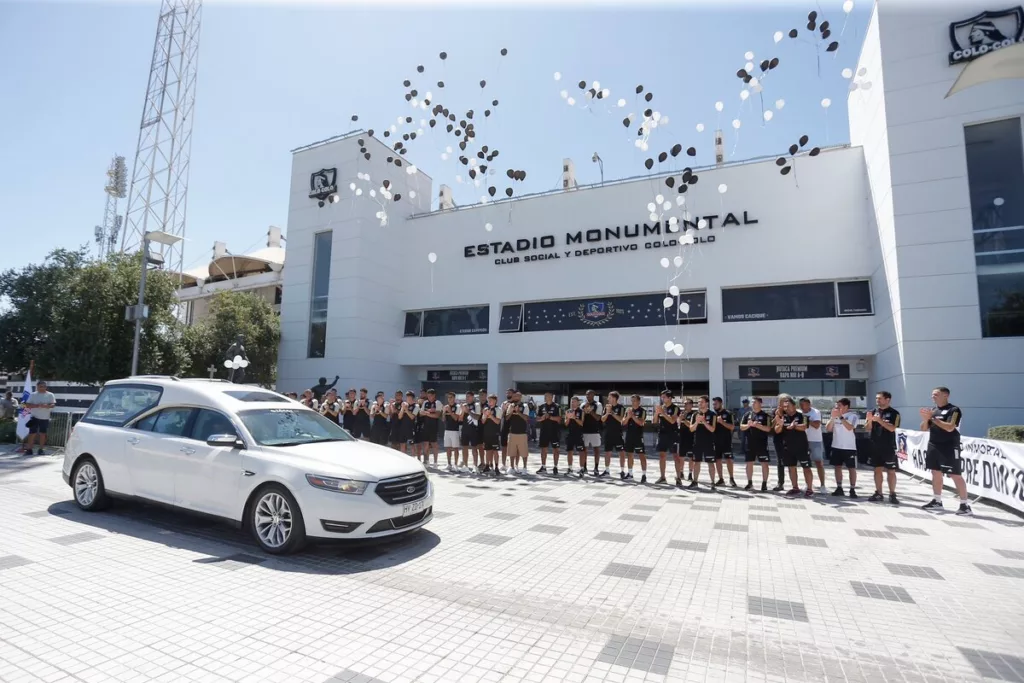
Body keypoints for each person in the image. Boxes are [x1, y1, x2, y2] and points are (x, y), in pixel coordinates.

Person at [921, 387, 972, 516]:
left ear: (945, 395)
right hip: (934, 444)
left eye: (936, 394)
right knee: (935, 472)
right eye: (932, 395)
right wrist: (926, 419)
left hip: (949, 446)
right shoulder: (933, 410)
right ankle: (937, 501)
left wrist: (932, 419)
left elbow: (950, 428)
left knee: (955, 474)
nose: (933, 397)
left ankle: (965, 505)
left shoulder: (954, 410)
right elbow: (923, 429)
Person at [775, 397, 815, 498]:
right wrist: (780, 425)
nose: (786, 408)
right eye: (784, 407)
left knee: (806, 467)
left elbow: (805, 426)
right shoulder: (782, 417)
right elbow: (777, 431)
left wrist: (794, 426)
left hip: (801, 447)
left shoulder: (802, 416)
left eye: (788, 406)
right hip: (788, 447)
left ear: (794, 406)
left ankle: (809, 489)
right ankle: (795, 487)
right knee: (791, 467)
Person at [866, 391, 901, 505]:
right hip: (875, 445)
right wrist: (870, 420)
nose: (877, 401)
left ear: (887, 399)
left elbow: (892, 428)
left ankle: (892, 494)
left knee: (891, 471)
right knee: (877, 470)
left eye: (880, 398)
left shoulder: (894, 413)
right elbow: (867, 428)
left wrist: (879, 420)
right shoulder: (873, 412)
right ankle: (879, 493)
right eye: (876, 398)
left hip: (888, 446)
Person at [826, 398, 860, 497]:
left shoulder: (853, 416)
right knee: (837, 467)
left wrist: (840, 417)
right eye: (836, 406)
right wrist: (832, 418)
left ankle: (852, 489)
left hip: (849, 447)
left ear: (846, 406)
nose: (837, 408)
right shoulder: (835, 416)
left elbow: (850, 427)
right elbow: (828, 428)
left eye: (839, 406)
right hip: (836, 445)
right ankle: (839, 487)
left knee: (851, 468)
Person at [740, 397, 772, 491]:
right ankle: (749, 483)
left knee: (764, 464)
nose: (753, 404)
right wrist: (749, 425)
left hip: (761, 443)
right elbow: (742, 427)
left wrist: (757, 425)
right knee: (749, 463)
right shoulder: (747, 414)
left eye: (755, 402)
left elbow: (768, 429)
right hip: (749, 443)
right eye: (752, 402)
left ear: (760, 404)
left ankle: (764, 483)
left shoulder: (766, 415)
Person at [688, 395, 717, 490]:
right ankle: (695, 481)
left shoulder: (712, 414)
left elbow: (712, 429)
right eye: (699, 402)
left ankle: (713, 482)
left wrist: (704, 422)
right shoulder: (695, 414)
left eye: (702, 402)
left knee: (710, 463)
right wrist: (697, 422)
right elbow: (691, 429)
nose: (700, 404)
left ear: (707, 403)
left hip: (709, 443)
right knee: (696, 462)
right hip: (697, 442)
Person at [799, 398, 828, 494]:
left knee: (819, 463)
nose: (802, 407)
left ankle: (822, 485)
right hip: (803, 441)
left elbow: (816, 425)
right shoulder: (799, 412)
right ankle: (808, 484)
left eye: (804, 405)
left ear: (809, 404)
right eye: (800, 405)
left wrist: (807, 420)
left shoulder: (815, 412)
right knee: (805, 464)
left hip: (815, 441)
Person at [22, 381, 56, 456]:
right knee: (32, 434)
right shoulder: (33, 395)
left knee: (43, 434)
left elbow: (53, 405)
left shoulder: (50, 395)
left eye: (44, 386)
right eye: (41, 386)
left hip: (45, 418)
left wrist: (46, 406)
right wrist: (37, 405)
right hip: (34, 417)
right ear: (37, 387)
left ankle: (41, 450)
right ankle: (29, 449)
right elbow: (27, 405)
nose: (43, 388)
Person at [653, 390, 679, 485]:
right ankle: (662, 477)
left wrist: (663, 413)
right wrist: (656, 413)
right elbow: (654, 421)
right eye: (662, 397)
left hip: (673, 434)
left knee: (676, 456)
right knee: (662, 455)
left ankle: (678, 477)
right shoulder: (661, 407)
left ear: (669, 398)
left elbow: (672, 421)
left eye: (664, 397)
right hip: (662, 434)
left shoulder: (675, 408)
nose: (662, 399)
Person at [712, 397, 737, 488]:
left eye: (716, 404)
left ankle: (731, 478)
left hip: (726, 441)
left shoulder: (728, 413)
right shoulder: (712, 414)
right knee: (717, 460)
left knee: (729, 460)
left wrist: (722, 422)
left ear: (721, 403)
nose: (714, 405)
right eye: (713, 404)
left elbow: (732, 427)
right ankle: (721, 479)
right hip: (715, 441)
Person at [536, 391, 562, 475]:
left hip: (554, 431)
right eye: (545, 396)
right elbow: (537, 418)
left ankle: (555, 467)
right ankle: (543, 467)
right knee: (543, 449)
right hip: (544, 431)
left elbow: (559, 419)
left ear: (552, 397)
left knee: (556, 449)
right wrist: (542, 418)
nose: (545, 397)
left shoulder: (557, 406)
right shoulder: (541, 406)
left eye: (547, 396)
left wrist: (550, 417)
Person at [623, 395, 648, 483]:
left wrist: (632, 416)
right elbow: (623, 423)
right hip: (629, 436)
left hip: (638, 436)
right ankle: (630, 473)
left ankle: (644, 474)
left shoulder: (642, 411)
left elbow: (641, 423)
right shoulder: (628, 411)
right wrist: (628, 417)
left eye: (634, 401)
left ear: (638, 402)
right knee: (629, 454)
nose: (632, 402)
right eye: (631, 401)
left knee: (641, 455)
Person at [601, 391, 626, 478]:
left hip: (617, 433)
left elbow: (621, 419)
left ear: (614, 398)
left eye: (610, 397)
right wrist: (607, 413)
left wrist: (611, 412)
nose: (608, 399)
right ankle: (607, 470)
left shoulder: (621, 407)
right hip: (608, 433)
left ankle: (622, 470)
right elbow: (603, 420)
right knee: (607, 452)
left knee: (621, 452)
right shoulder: (606, 407)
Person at [506, 391, 530, 472]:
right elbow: (507, 418)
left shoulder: (525, 406)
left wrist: (518, 412)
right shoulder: (510, 405)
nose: (516, 398)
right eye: (515, 396)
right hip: (512, 432)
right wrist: (512, 410)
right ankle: (512, 467)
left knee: (523, 452)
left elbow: (526, 418)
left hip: (522, 432)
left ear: (520, 397)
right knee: (512, 451)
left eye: (517, 396)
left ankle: (524, 467)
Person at [581, 390, 603, 476]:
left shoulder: (598, 404)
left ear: (593, 395)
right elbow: (581, 418)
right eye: (586, 394)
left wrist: (590, 411)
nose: (588, 396)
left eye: (589, 394)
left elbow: (598, 418)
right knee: (584, 450)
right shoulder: (582, 405)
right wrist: (584, 411)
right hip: (584, 430)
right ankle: (585, 467)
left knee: (596, 450)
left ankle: (596, 468)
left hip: (595, 431)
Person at [771, 396, 789, 492]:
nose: (783, 404)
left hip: (790, 439)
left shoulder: (790, 411)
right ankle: (780, 482)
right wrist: (776, 416)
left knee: (792, 462)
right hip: (778, 439)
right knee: (780, 461)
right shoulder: (775, 411)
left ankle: (796, 485)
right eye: (782, 402)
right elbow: (771, 425)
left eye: (786, 402)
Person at [481, 395, 502, 475]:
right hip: (487, 433)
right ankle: (487, 465)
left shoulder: (498, 409)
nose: (489, 402)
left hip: (495, 433)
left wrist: (490, 416)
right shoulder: (486, 409)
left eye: (491, 400)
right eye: (488, 400)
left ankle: (496, 467)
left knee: (495, 451)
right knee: (487, 451)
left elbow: (498, 421)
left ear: (495, 401)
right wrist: (485, 415)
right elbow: (483, 421)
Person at [441, 392, 462, 472]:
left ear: (454, 398)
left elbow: (456, 418)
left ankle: (455, 465)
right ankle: (449, 464)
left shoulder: (457, 407)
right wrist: (443, 412)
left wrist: (449, 411)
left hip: (455, 430)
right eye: (448, 397)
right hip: (447, 430)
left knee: (455, 448)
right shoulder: (446, 407)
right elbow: (443, 419)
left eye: (451, 397)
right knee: (448, 448)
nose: (449, 399)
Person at [461, 391, 481, 472]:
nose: (467, 398)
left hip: (473, 429)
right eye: (466, 397)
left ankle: (475, 466)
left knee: (474, 448)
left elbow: (478, 417)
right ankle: (465, 465)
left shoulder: (476, 405)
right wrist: (463, 411)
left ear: (473, 397)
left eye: (469, 396)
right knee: (464, 447)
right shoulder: (464, 405)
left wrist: (468, 411)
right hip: (465, 429)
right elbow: (460, 418)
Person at [420, 389, 441, 467]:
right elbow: (421, 413)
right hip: (425, 426)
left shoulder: (437, 402)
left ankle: (435, 462)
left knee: (434, 444)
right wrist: (430, 412)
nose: (429, 397)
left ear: (434, 395)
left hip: (434, 427)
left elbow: (437, 415)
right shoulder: (425, 402)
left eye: (431, 395)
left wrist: (427, 413)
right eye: (428, 396)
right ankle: (426, 461)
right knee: (425, 444)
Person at [564, 396, 585, 474]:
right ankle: (570, 468)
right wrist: (569, 418)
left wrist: (574, 418)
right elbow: (565, 424)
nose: (572, 403)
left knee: (581, 451)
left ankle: (582, 468)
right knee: (569, 451)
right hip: (570, 434)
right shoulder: (568, 411)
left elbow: (582, 423)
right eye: (571, 402)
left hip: (578, 434)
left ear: (578, 403)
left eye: (574, 402)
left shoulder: (581, 411)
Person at [677, 398, 695, 485]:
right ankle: (681, 472)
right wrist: (680, 419)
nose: (685, 405)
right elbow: (678, 424)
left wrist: (684, 420)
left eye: (687, 404)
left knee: (691, 457)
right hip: (682, 436)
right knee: (681, 456)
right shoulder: (682, 413)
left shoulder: (694, 414)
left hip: (691, 437)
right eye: (684, 404)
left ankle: (690, 473)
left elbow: (691, 425)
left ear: (691, 405)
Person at [397, 391, 418, 456]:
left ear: (412, 398)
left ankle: (414, 458)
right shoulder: (404, 405)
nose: (408, 398)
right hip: (403, 428)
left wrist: (406, 410)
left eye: (409, 397)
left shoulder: (416, 406)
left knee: (412, 445)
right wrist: (403, 408)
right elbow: (399, 417)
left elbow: (412, 417)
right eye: (407, 397)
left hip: (411, 429)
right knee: (402, 444)